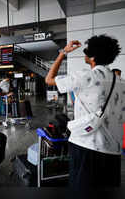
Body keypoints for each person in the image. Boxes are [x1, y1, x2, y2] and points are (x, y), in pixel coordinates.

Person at [45, 35, 125, 188]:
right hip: (113, 151)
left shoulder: (86, 76)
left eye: (86, 51)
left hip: (86, 146)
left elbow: (49, 79)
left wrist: (63, 53)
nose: (84, 54)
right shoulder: (121, 83)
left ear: (93, 57)